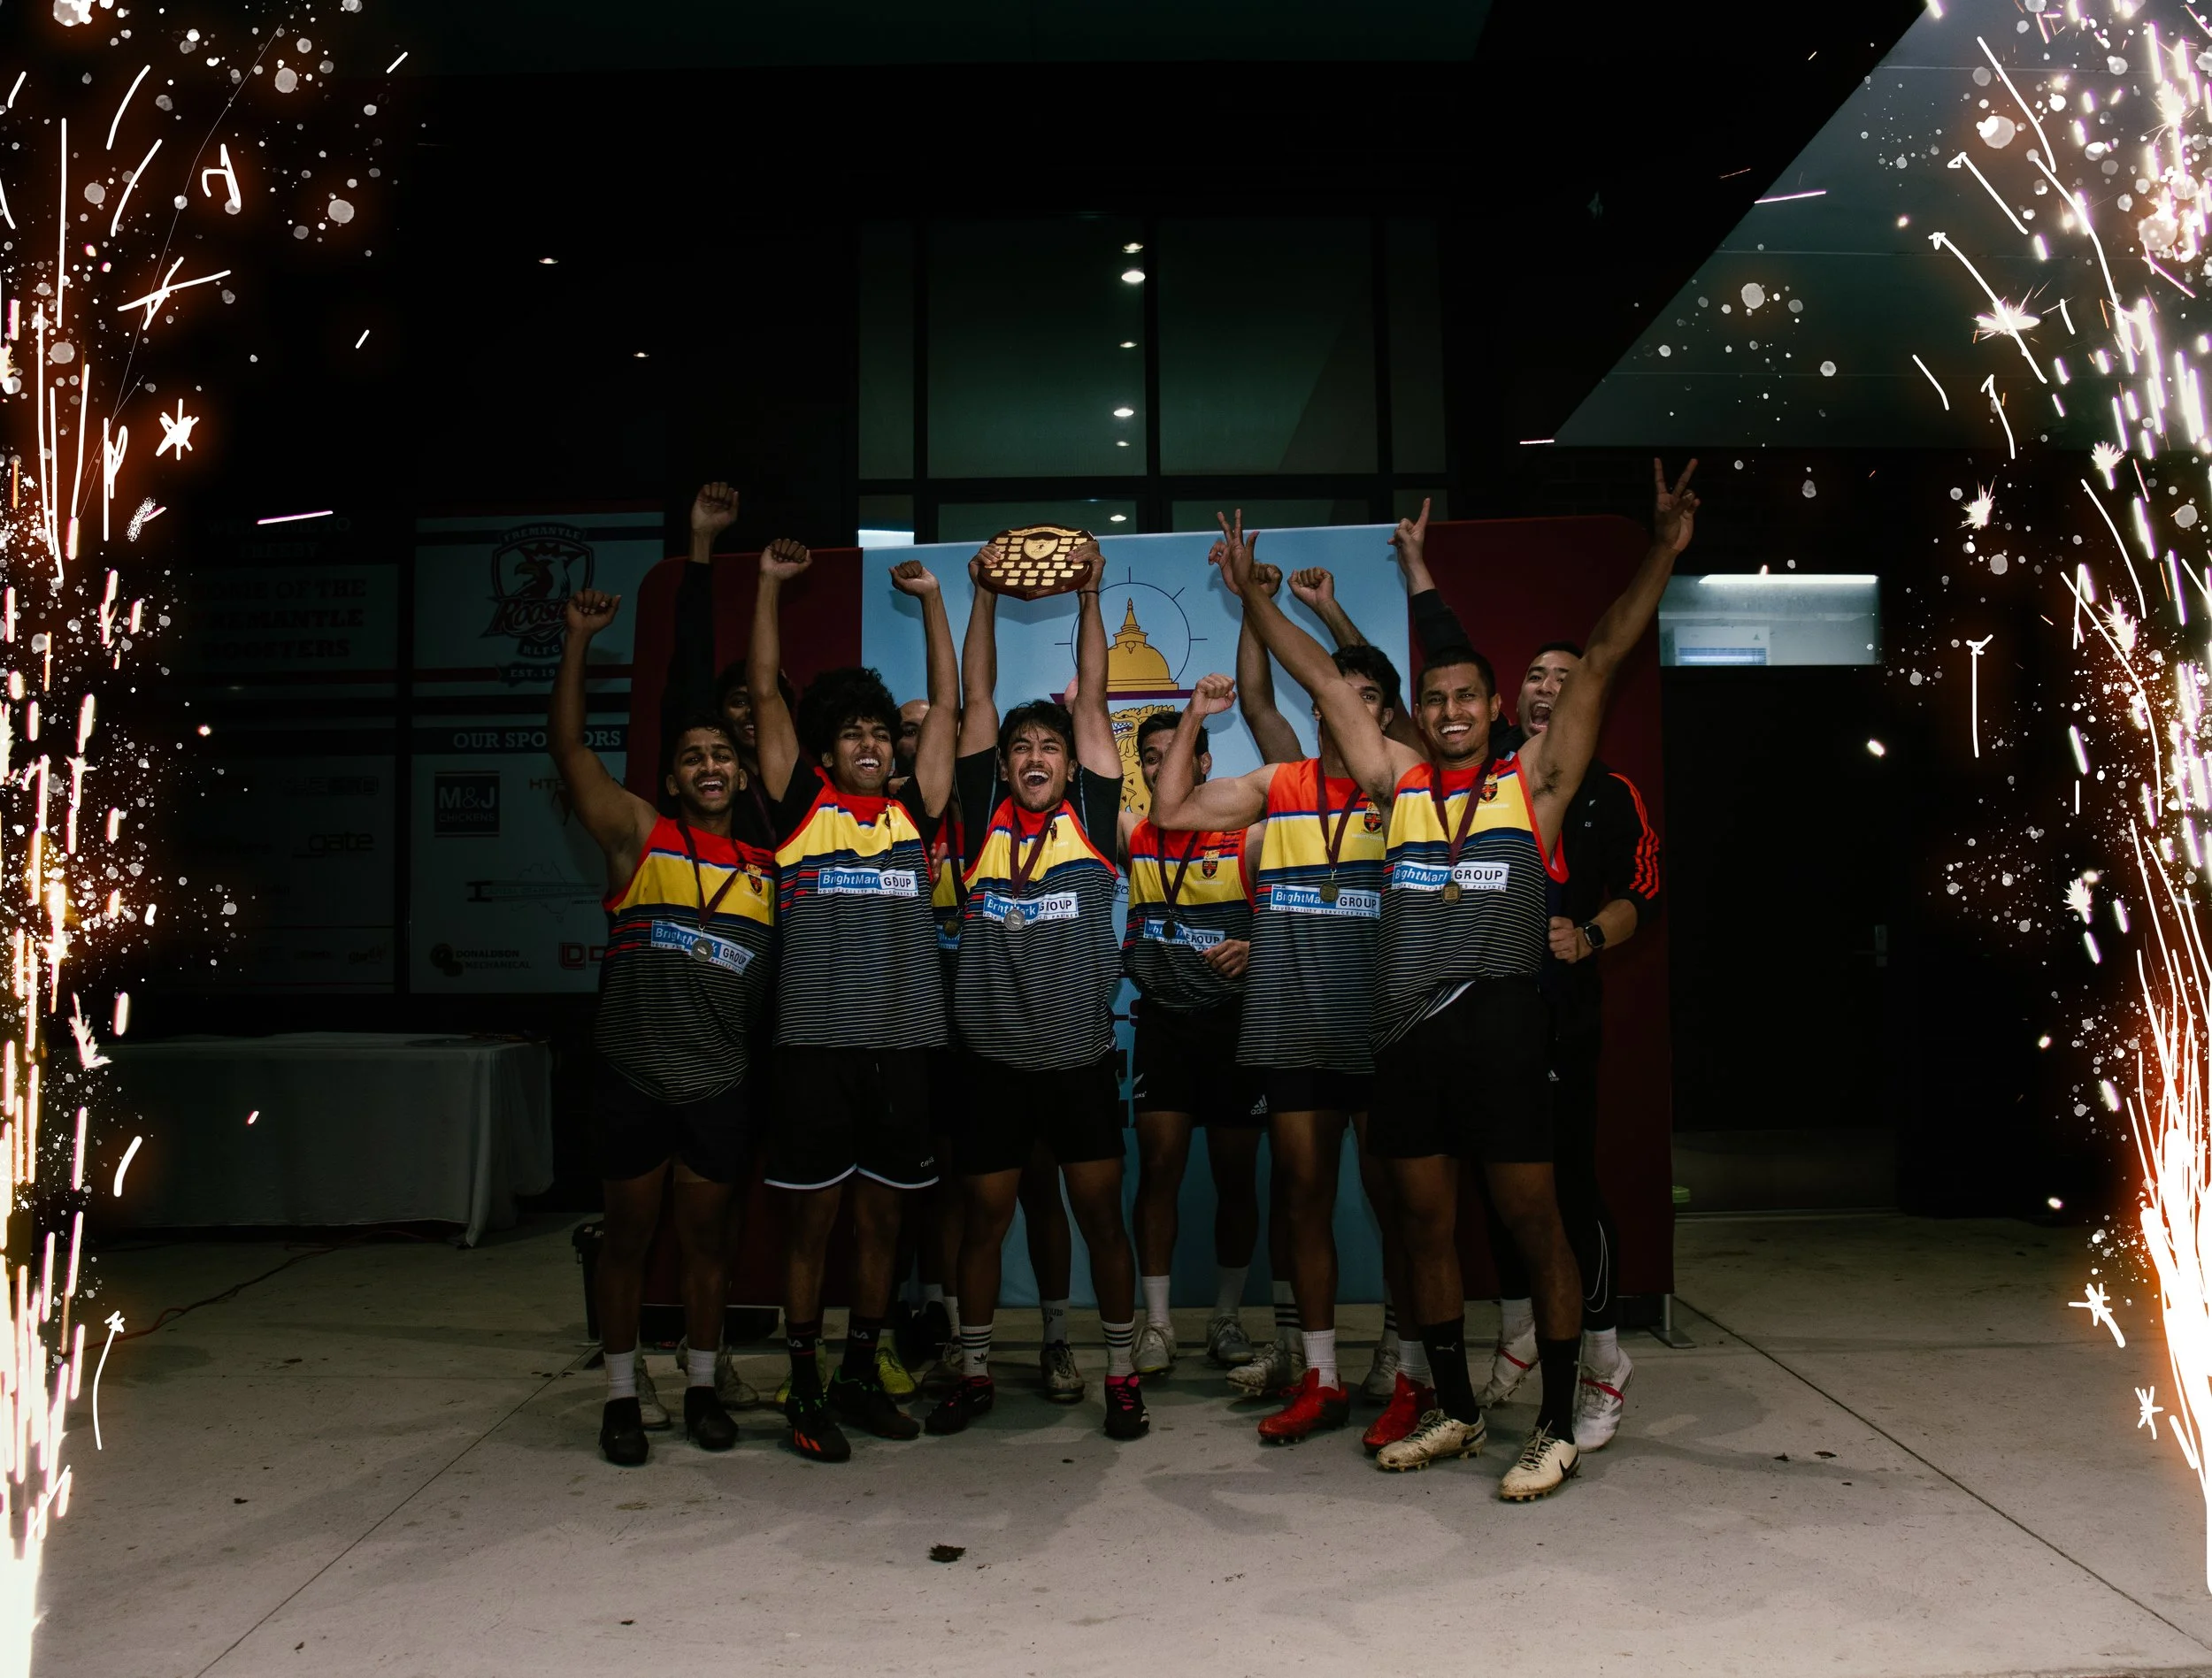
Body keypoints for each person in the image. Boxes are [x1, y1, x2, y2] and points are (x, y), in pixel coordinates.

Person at [1215, 462, 1697, 1498]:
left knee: (1534, 1225)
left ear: (1492, 706)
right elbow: (1319, 680)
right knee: (1424, 1228)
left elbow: (1604, 653)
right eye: (1432, 698)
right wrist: (1252, 595)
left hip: (1504, 1035)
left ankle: (1555, 1423)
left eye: (1464, 695)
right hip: (1406, 1043)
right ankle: (1456, 1408)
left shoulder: (1536, 783)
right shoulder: (1395, 784)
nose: (1449, 709)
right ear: (1415, 715)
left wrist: (1660, 549)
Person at [1386, 514, 1665, 1452]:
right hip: (1469, 1016)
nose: (1551, 686)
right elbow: (1444, 658)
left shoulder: (1592, 787)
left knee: (1562, 1201)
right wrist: (1414, 567)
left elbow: (1642, 896)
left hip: (1556, 1016)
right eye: (1536, 675)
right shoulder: (1489, 765)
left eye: (1563, 677)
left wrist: (1587, 934)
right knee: (1479, 1211)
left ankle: (1601, 1366)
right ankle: (1499, 1365)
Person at [1149, 529, 1404, 1447]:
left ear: (1385, 716)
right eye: (1340, 696)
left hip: (1379, 1030)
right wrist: (1192, 716)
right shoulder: (1281, 782)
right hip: (1294, 1030)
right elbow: (1172, 810)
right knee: (1301, 1196)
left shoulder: (1400, 789)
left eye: (1369, 700)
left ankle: (1404, 1360)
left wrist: (1294, 605)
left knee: (1397, 1199)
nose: (1349, 711)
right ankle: (1320, 1373)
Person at [924, 543, 1150, 1443]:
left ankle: (1122, 1375)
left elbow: (1092, 698)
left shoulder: (1090, 816)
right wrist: (981, 596)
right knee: (982, 1222)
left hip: (1079, 1062)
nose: (1032, 755)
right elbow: (975, 699)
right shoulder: (981, 814)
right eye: (1020, 746)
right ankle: (975, 1369)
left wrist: (1091, 599)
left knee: (1101, 1220)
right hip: (990, 1064)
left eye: (1048, 745)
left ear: (1069, 763)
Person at [550, 586, 776, 1467]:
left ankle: (704, 1387)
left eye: (722, 754)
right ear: (674, 778)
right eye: (691, 757)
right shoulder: (639, 837)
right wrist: (578, 640)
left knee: (709, 1246)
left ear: (743, 774)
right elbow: (571, 752)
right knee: (629, 1242)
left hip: (719, 1083)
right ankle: (619, 1394)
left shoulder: (767, 870)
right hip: (634, 1076)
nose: (709, 765)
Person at [747, 542, 957, 1462]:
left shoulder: (918, 811)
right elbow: (764, 696)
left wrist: (937, 600)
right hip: (817, 1051)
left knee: (883, 1222)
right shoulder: (802, 809)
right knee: (813, 1225)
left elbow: (947, 706)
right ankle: (803, 1381)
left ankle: (861, 1374)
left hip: (902, 1049)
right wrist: (767, 586)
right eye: (852, 735)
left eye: (880, 732)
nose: (870, 745)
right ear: (828, 748)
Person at [1118, 709, 1265, 1375]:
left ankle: (1226, 1317)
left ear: (1204, 763)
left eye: (1175, 753)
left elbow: (1303, 904)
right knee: (1159, 1171)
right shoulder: (1133, 833)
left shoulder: (1247, 837)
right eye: (1150, 757)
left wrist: (1257, 948)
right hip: (1164, 1025)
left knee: (1237, 1177)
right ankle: (1157, 1324)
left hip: (1233, 1026)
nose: (1162, 767)